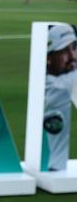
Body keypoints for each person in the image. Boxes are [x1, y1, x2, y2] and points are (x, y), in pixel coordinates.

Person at [43, 24, 77, 171]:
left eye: (74, 47)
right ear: (48, 58)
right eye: (64, 50)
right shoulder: (59, 86)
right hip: (54, 169)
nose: (72, 56)